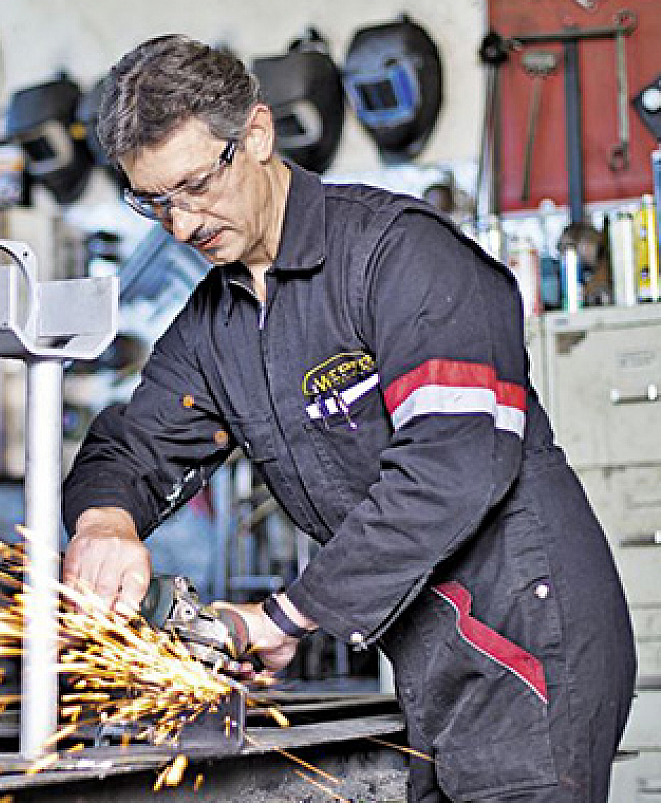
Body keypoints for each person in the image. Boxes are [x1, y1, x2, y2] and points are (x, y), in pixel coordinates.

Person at [61, 34, 635, 803]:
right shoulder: (215, 328)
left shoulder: (398, 257)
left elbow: (454, 462)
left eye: (195, 184)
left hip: (530, 639)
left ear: (256, 135)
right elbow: (133, 446)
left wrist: (287, 615)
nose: (181, 224)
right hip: (433, 661)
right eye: (154, 201)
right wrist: (104, 523)